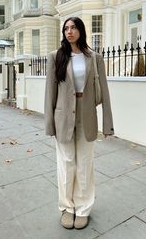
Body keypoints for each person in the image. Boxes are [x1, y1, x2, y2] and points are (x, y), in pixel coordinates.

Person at [45, 16, 114, 230]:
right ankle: (67, 208)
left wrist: (108, 123)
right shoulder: (55, 57)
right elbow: (50, 93)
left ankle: (83, 208)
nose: (69, 31)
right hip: (63, 116)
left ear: (81, 31)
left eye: (73, 27)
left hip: (87, 115)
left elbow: (104, 90)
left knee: (84, 164)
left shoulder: (94, 58)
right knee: (66, 164)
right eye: (66, 28)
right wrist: (49, 123)